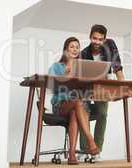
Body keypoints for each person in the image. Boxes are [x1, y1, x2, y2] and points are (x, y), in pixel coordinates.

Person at [48, 37, 100, 165]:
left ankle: (72, 155)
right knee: (76, 101)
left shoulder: (83, 69)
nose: (75, 49)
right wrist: (66, 76)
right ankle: (90, 140)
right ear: (66, 49)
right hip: (61, 105)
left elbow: (88, 91)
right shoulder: (56, 67)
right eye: (72, 46)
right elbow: (51, 86)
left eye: (77, 47)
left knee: (75, 110)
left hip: (80, 107)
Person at [79, 24, 124, 161]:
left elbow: (116, 64)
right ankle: (84, 149)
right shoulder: (84, 53)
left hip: (103, 85)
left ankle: (96, 150)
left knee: (102, 114)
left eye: (100, 39)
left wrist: (122, 82)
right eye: (94, 38)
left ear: (104, 39)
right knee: (83, 114)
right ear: (90, 36)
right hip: (86, 86)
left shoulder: (110, 44)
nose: (97, 42)